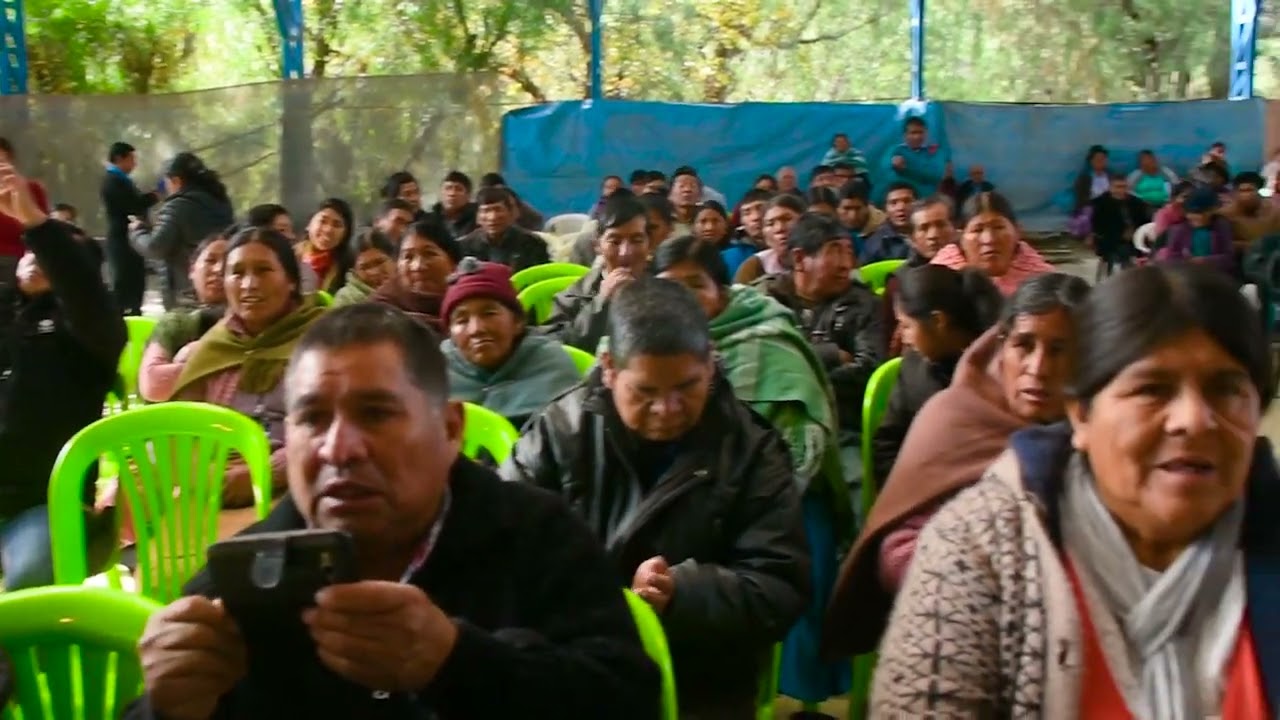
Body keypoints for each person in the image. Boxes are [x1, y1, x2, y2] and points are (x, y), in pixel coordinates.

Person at [124, 303, 660, 719]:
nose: (339, 448)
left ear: (450, 430)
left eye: (376, 414)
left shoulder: (537, 537)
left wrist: (456, 662)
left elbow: (631, 700)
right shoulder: (239, 584)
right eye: (312, 418)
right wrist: (165, 709)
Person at [869, 264, 1277, 718]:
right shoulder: (980, 552)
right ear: (1081, 414)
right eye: (1152, 389)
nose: (1194, 420)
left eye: (1225, 390)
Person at [502, 278, 809, 718]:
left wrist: (683, 593)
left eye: (687, 387)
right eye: (645, 393)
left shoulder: (751, 451)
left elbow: (780, 586)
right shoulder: (560, 432)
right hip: (570, 658)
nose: (667, 409)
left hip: (698, 673)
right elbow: (501, 548)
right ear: (609, 368)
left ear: (711, 363)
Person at [822, 272, 1089, 660]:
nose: (1038, 367)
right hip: (958, 633)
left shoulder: (1108, 432)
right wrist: (984, 584)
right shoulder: (955, 417)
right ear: (1002, 346)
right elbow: (898, 549)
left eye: (1060, 349)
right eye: (1024, 345)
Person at [654, 236, 853, 708]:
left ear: (721, 290)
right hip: (678, 492)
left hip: (776, 493)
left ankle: (799, 696)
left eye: (694, 285)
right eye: (668, 288)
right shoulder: (639, 345)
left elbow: (797, 448)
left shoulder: (768, 342)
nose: (681, 301)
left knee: (792, 542)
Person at [0, 163, 124, 590]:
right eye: (32, 247)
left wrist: (39, 224)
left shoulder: (90, 333)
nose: (38, 255)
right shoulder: (6, 312)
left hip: (43, 507)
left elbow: (85, 295)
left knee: (29, 588)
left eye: (54, 252)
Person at [167, 227, 328, 507]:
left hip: (295, 482)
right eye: (237, 273)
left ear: (291, 281)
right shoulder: (216, 344)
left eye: (263, 270)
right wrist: (197, 473)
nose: (249, 284)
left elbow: (326, 430)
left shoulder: (322, 340)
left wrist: (260, 475)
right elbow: (182, 429)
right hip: (213, 477)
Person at [754, 212, 885, 507]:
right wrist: (830, 354)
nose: (846, 264)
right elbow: (759, 365)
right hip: (771, 428)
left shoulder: (863, 304)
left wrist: (797, 375)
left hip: (840, 428)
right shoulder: (764, 299)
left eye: (848, 252)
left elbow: (868, 371)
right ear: (800, 259)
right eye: (834, 251)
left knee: (856, 497)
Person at [871, 265, 1003, 485]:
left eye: (907, 326)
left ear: (938, 321)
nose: (904, 338)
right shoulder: (913, 368)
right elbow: (887, 444)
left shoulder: (999, 367)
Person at [441, 260, 581, 429]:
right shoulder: (437, 371)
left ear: (517, 322)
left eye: (489, 313)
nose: (476, 329)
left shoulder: (551, 364)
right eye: (462, 320)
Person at [542, 194, 652, 353]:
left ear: (650, 244)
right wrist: (600, 302)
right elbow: (551, 345)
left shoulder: (665, 289)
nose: (625, 252)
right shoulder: (578, 293)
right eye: (615, 241)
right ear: (597, 245)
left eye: (637, 240)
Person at [129, 152, 235, 310]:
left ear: (176, 181)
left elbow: (155, 247)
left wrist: (138, 231)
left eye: (165, 183)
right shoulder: (220, 203)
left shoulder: (178, 206)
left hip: (186, 292)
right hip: (218, 287)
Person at [139, 231, 230, 403]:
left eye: (228, 263)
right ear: (192, 269)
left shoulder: (251, 321)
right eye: (210, 260)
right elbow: (153, 385)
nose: (219, 269)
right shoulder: (177, 322)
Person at [931, 191, 1054, 295]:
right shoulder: (937, 280)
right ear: (960, 237)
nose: (989, 239)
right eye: (978, 230)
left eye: (998, 227)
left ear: (1017, 232)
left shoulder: (1047, 284)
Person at [368, 220, 460, 330]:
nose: (418, 266)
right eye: (408, 257)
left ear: (453, 263)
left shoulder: (472, 299)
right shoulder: (378, 314)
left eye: (429, 254)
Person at [101, 141, 158, 315]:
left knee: (136, 284)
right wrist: (154, 196)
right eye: (131, 159)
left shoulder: (123, 180)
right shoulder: (112, 180)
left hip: (132, 239)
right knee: (124, 285)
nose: (135, 163)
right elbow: (132, 206)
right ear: (119, 158)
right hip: (121, 241)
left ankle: (134, 315)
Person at [456, 187, 550, 272]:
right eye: (486, 210)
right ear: (477, 217)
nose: (492, 217)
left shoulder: (532, 243)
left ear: (511, 213)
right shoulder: (464, 246)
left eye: (498, 209)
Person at [1157, 187, 1235, 275]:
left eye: (1200, 213)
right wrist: (1187, 263)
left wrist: (1204, 261)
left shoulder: (1221, 226)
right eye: (1191, 212)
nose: (1195, 217)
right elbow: (1172, 258)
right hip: (1187, 275)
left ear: (1213, 210)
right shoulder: (1178, 230)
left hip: (1215, 275)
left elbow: (1229, 258)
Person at [732, 193, 806, 284]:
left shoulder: (819, 259)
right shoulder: (755, 266)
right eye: (770, 224)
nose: (779, 228)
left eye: (787, 219)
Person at [1089, 173, 1151, 279]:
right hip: (1109, 240)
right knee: (1122, 252)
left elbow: (1144, 222)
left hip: (1135, 239)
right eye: (1118, 187)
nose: (1121, 190)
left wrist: (1135, 232)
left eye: (1124, 187)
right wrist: (1120, 234)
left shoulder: (1137, 203)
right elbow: (1098, 227)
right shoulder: (1100, 204)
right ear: (1110, 188)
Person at [294, 198, 356, 295]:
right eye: (323, 221)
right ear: (309, 224)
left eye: (337, 225)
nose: (328, 230)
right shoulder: (291, 256)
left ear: (345, 234)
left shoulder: (351, 267)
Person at [881, 116, 950, 200]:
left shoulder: (934, 151)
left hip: (926, 200)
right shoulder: (895, 150)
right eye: (913, 133)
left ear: (926, 133)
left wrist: (906, 170)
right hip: (903, 199)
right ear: (905, 135)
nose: (917, 136)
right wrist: (892, 163)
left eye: (921, 132)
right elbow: (885, 168)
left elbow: (936, 175)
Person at [330, 230, 395, 307]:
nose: (374, 272)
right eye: (365, 267)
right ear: (354, 272)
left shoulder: (405, 289)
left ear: (393, 259)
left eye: (380, 262)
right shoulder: (347, 299)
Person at [861, 181, 917, 264]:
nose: (901, 208)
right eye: (893, 203)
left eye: (907, 201)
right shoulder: (875, 244)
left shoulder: (930, 233)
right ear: (885, 210)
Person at [426, 170, 478, 239]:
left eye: (458, 189)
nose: (452, 193)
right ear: (440, 193)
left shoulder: (477, 219)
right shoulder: (429, 221)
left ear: (468, 195)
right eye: (448, 188)